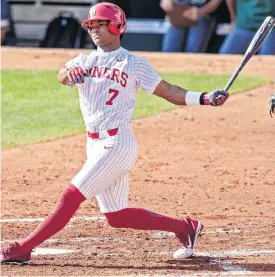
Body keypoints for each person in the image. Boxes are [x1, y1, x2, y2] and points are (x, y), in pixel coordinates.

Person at [0, 2, 229, 265]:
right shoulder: (83, 61)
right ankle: (185, 228)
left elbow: (170, 92)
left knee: (70, 196)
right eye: (92, 25)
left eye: (101, 24)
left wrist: (205, 98)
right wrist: (68, 72)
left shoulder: (133, 64)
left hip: (118, 143)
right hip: (94, 145)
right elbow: (62, 76)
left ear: (117, 26)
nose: (95, 30)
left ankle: (23, 249)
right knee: (116, 216)